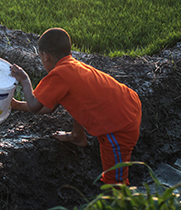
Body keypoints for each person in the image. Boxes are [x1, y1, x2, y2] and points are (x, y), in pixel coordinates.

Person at [10, 28, 142, 185]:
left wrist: (25, 80)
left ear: (46, 57)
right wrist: (17, 105)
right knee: (78, 102)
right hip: (127, 104)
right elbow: (48, 107)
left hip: (119, 126)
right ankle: (77, 136)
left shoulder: (58, 75)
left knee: (115, 182)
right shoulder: (71, 65)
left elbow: (34, 106)